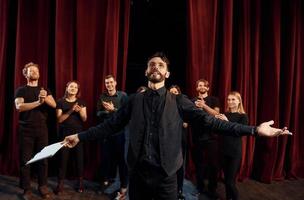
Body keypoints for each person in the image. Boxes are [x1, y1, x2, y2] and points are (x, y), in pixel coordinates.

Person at [62, 52, 291, 200]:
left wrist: (254, 130)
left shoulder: (179, 101)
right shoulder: (133, 100)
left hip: (167, 177)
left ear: (167, 73)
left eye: (160, 65)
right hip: (139, 175)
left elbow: (212, 122)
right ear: (146, 71)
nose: (155, 67)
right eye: (151, 64)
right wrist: (79, 137)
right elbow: (109, 126)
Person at [14, 62, 56, 199]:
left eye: (36, 70)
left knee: (43, 159)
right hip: (25, 129)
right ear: (26, 74)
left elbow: (54, 105)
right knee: (26, 160)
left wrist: (44, 98)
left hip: (42, 129)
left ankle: (42, 186)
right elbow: (19, 107)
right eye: (31, 71)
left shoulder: (45, 90)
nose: (35, 72)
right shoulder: (21, 90)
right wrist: (38, 102)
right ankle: (26, 189)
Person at [96, 75, 128, 196]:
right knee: (105, 159)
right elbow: (98, 113)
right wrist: (106, 111)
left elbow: (126, 113)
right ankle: (104, 181)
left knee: (121, 160)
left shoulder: (123, 96)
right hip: (105, 133)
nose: (109, 85)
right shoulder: (102, 96)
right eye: (106, 83)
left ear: (115, 83)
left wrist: (113, 109)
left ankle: (124, 185)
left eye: (110, 82)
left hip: (119, 133)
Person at [54, 81, 87, 195]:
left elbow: (84, 119)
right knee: (63, 159)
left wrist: (80, 112)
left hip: (78, 134)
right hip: (64, 133)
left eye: (75, 87)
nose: (73, 88)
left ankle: (80, 182)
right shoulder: (60, 102)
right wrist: (72, 110)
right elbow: (59, 119)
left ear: (78, 90)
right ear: (67, 88)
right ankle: (60, 183)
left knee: (79, 159)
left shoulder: (81, 102)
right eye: (71, 86)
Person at [215, 91, 248, 200]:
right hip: (223, 151)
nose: (230, 101)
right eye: (229, 99)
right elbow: (219, 131)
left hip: (234, 153)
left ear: (239, 101)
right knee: (227, 181)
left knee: (230, 182)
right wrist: (216, 122)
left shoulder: (243, 117)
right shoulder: (225, 114)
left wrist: (226, 121)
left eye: (233, 99)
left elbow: (239, 132)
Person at [191, 79, 221, 199]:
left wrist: (203, 105)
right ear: (197, 88)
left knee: (213, 165)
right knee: (199, 165)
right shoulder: (192, 100)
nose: (202, 87)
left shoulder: (214, 100)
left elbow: (216, 114)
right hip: (197, 137)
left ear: (207, 88)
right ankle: (200, 188)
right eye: (199, 85)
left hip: (211, 138)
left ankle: (212, 190)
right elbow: (190, 115)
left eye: (204, 85)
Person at [169, 85, 188, 200]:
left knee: (180, 165)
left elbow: (187, 121)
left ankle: (179, 189)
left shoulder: (183, 105)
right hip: (168, 139)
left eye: (175, 92)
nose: (173, 94)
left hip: (180, 138)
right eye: (171, 92)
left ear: (179, 93)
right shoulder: (164, 104)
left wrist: (184, 121)